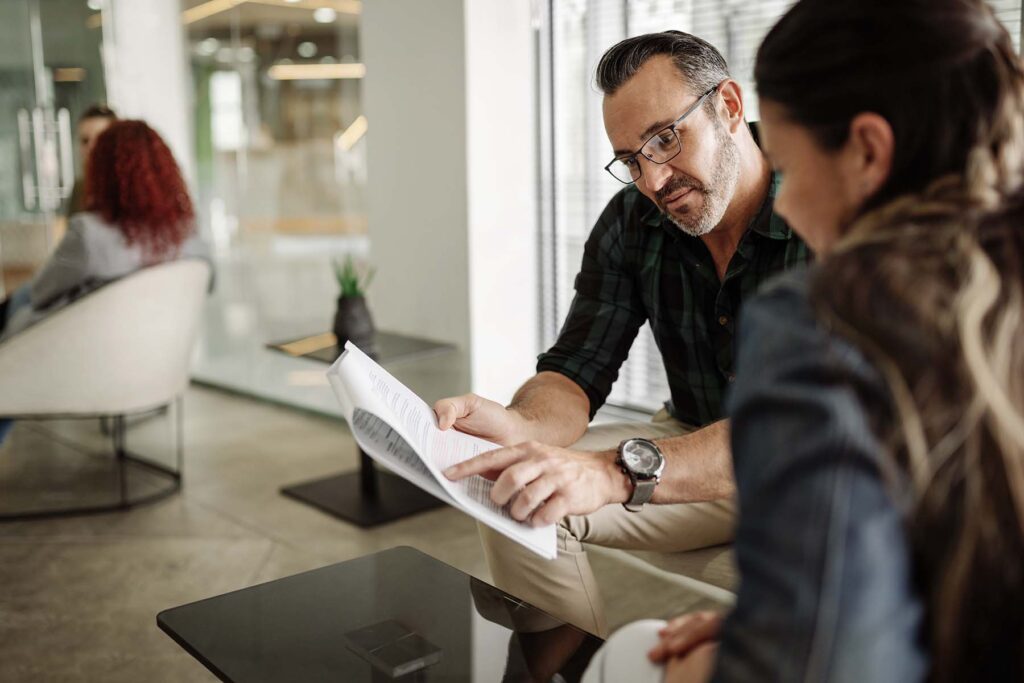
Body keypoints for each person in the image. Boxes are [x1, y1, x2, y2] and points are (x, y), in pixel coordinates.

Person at [587, 0, 1024, 681]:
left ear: (868, 151)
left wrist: (754, 640)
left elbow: (826, 658)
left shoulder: (823, 320)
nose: (784, 202)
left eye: (789, 163)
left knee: (632, 654)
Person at [437, 31, 807, 636]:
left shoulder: (824, 204)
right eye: (632, 160)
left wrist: (614, 471)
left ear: (729, 106)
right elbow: (576, 367)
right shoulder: (633, 221)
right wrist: (519, 426)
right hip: (693, 440)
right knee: (516, 487)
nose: (653, 181)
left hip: (815, 468)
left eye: (665, 139)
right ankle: (563, 670)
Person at [0, 120, 208, 442]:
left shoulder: (89, 234)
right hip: (151, 361)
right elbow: (208, 282)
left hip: (74, 358)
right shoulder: (188, 233)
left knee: (21, 299)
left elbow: (41, 294)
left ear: (104, 173)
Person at [65, 104, 117, 217]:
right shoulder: (80, 188)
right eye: (85, 141)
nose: (92, 147)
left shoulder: (131, 188)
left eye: (100, 139)